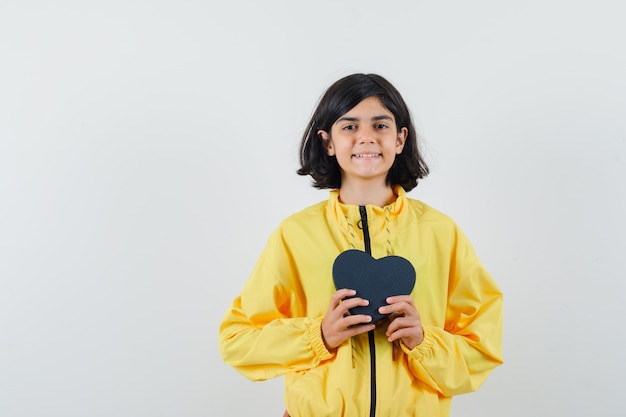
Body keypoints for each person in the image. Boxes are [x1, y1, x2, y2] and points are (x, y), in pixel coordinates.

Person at [218, 73, 503, 417]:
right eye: (349, 127)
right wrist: (318, 336)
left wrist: (423, 342)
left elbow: (483, 347)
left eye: (380, 125)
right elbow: (237, 340)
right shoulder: (295, 235)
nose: (366, 137)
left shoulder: (441, 233)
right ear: (328, 142)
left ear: (400, 139)